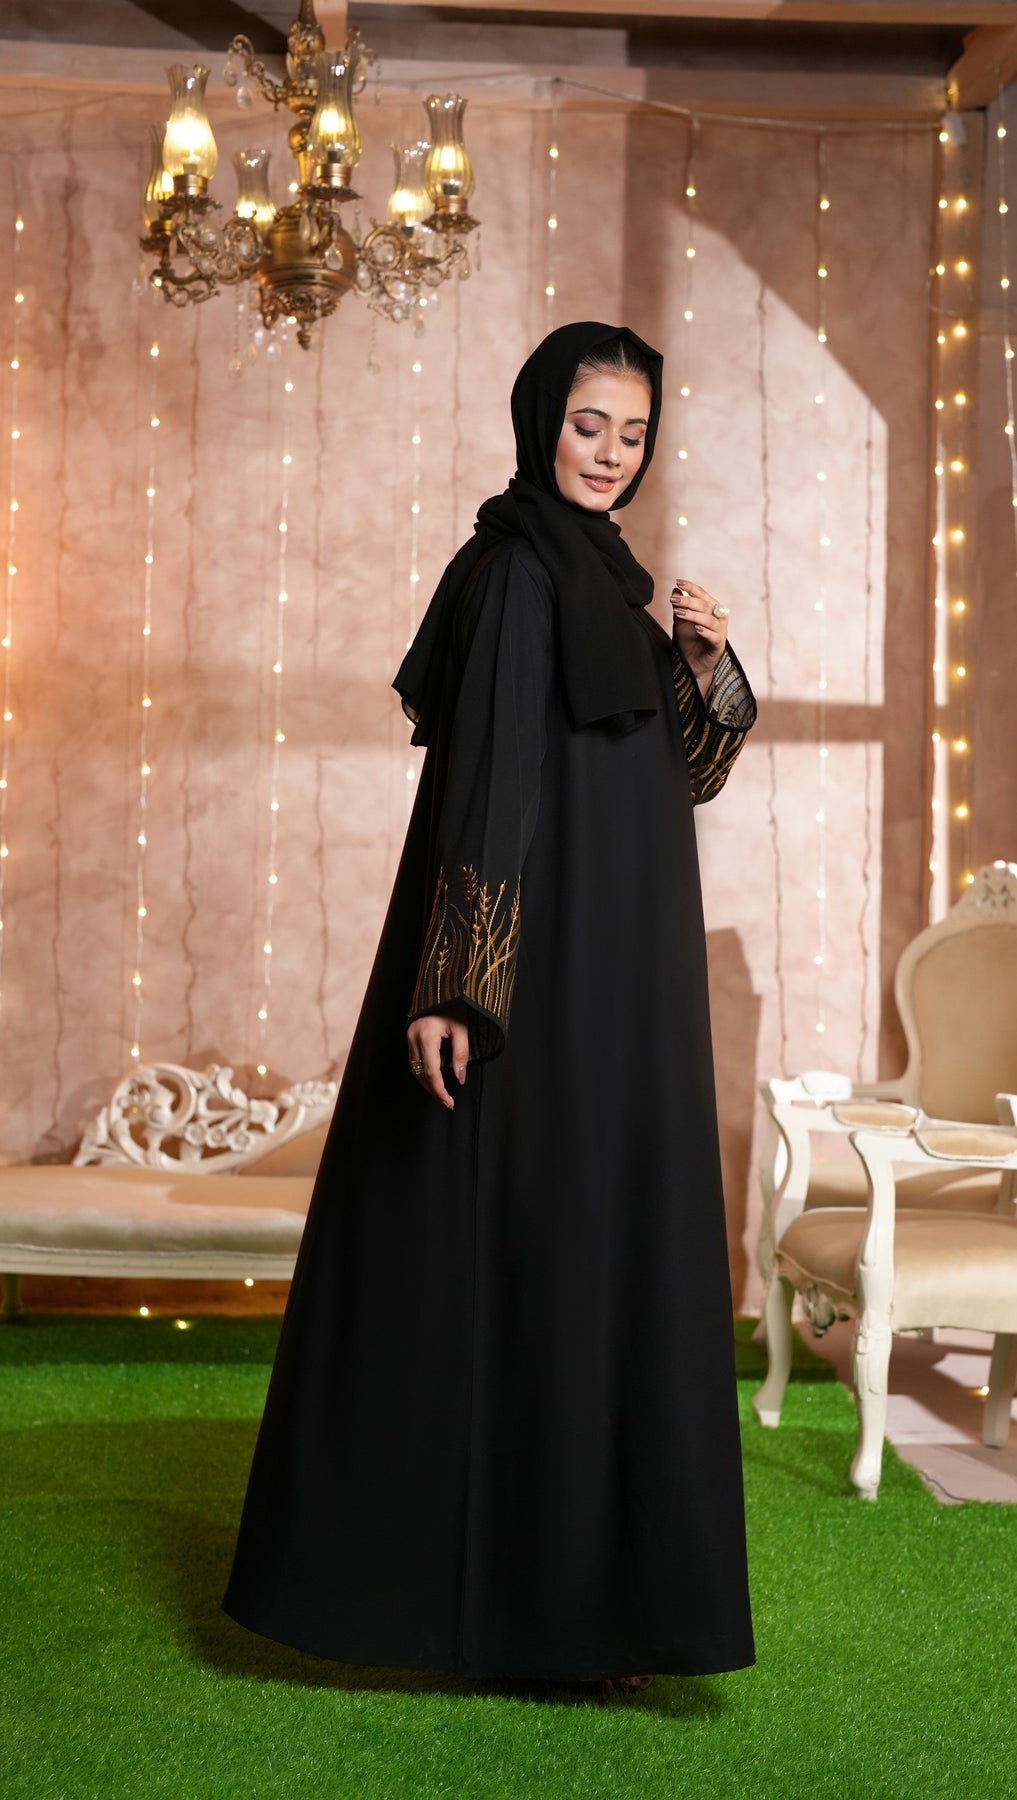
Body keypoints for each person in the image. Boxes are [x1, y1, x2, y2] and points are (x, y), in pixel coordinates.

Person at [224, 321, 757, 1692]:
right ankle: (519, 1605)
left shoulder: (611, 584)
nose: (611, 453)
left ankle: (591, 1597)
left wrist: (703, 665)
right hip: (547, 978)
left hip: (622, 979)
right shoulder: (518, 572)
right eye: (589, 425)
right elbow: (492, 776)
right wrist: (459, 985)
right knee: (530, 1252)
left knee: (597, 1255)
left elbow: (678, 773)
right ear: (540, 421)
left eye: (633, 433)